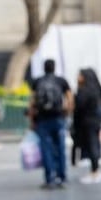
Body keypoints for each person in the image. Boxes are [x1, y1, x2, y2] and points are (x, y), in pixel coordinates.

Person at [29, 59, 72, 189]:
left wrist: (32, 120)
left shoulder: (37, 82)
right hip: (58, 117)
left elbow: (32, 102)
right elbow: (70, 99)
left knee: (46, 149)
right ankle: (62, 177)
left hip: (43, 119)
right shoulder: (61, 81)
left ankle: (49, 178)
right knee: (60, 148)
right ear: (54, 67)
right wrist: (67, 114)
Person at [73, 68, 101, 184]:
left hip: (87, 122)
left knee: (91, 145)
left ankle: (95, 171)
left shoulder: (83, 91)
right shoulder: (96, 90)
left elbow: (79, 108)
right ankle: (95, 168)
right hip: (95, 121)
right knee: (95, 144)